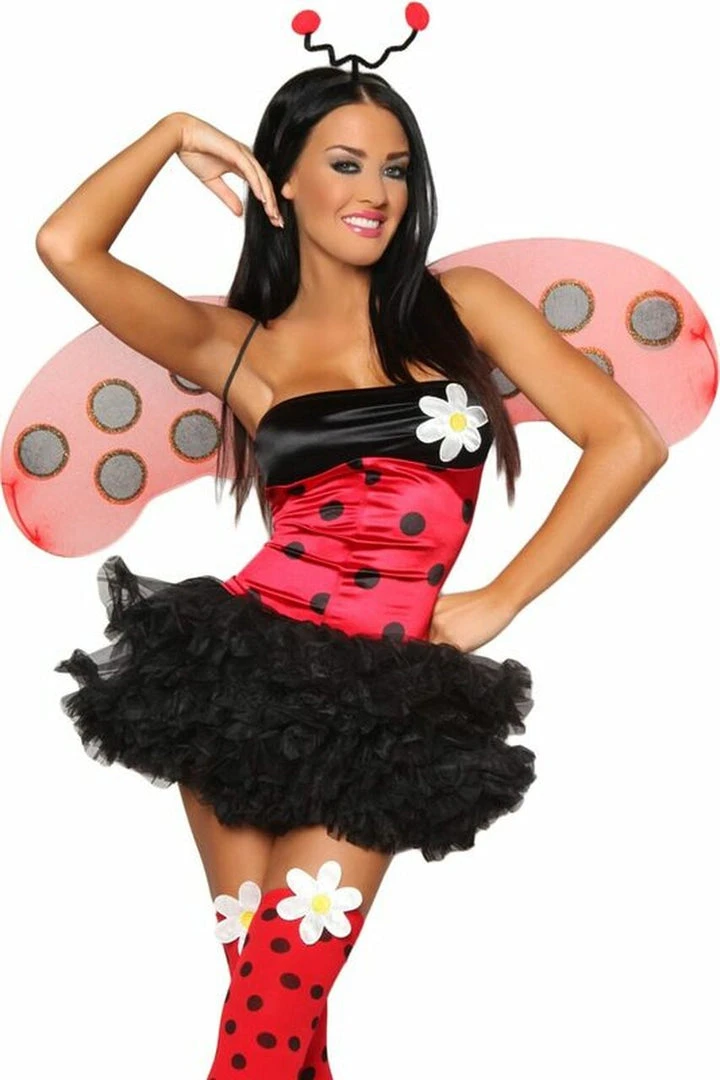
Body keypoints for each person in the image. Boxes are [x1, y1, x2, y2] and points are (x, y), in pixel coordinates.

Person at [39, 60, 668, 1080]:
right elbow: (67, 245)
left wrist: (502, 598)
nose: (376, 191)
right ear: (282, 178)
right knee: (276, 1027)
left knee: (274, 1010)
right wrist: (172, 132)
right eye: (345, 163)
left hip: (386, 696)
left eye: (396, 168)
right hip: (241, 679)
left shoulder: (462, 306)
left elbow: (627, 440)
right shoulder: (238, 346)